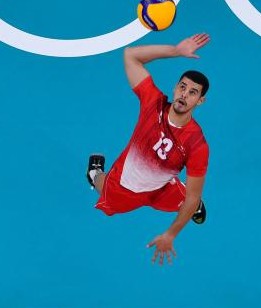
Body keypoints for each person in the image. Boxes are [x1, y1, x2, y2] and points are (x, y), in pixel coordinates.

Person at [87, 33, 211, 265]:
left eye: (193, 92)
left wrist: (171, 234)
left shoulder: (197, 144)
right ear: (175, 88)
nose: (184, 94)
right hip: (126, 183)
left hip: (162, 188)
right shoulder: (152, 102)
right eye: (182, 87)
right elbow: (130, 55)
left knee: (190, 201)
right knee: (104, 193)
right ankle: (93, 174)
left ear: (200, 101)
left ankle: (183, 202)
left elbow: (194, 196)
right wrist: (175, 50)